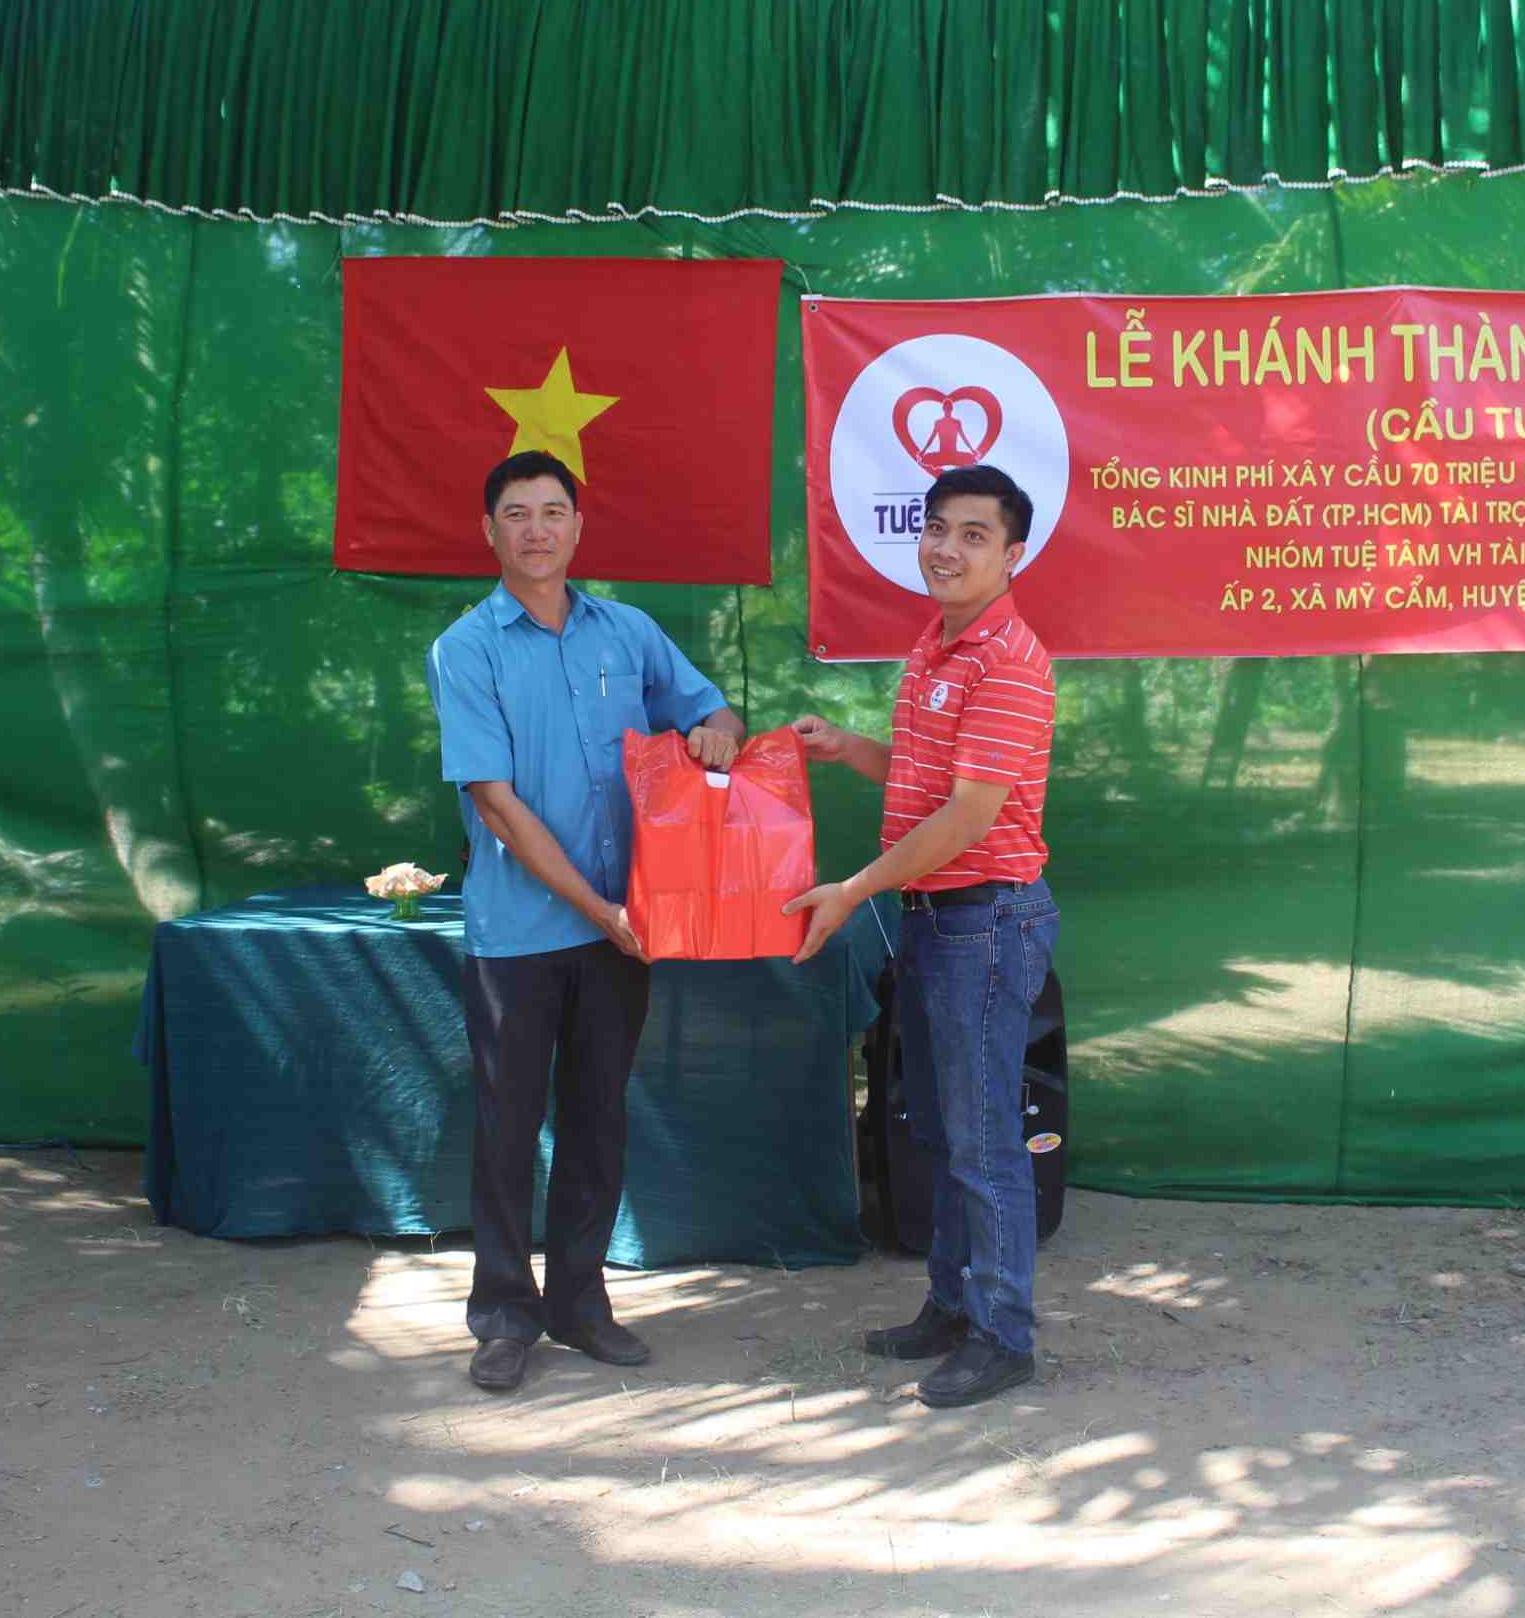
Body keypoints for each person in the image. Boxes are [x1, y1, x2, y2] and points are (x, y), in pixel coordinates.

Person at [425, 450, 745, 1394]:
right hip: (524, 934)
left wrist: (717, 732)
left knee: (598, 1119)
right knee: (507, 1127)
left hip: (624, 930)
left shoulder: (629, 632)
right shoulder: (466, 649)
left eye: (553, 511)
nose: (537, 529)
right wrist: (598, 909)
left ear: (577, 525)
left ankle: (579, 1302)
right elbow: (496, 803)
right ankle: (503, 1316)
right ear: (489, 532)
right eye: (516, 513)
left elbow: (713, 710)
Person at [783, 464, 1058, 1409]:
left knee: (984, 1143)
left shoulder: (1006, 659)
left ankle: (1004, 1335)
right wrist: (846, 748)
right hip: (938, 920)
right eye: (937, 528)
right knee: (941, 1133)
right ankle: (951, 1304)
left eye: (974, 535)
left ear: (1013, 554)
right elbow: (928, 777)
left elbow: (971, 815)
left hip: (986, 921)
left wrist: (854, 888)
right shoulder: (937, 645)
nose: (947, 548)